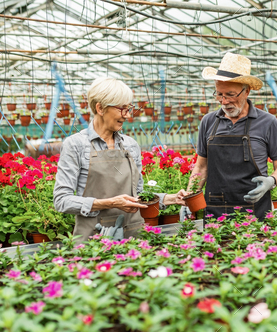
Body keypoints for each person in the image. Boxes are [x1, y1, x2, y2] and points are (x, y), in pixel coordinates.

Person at [54, 77, 187, 242]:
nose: (128, 115)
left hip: (133, 237)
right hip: (94, 240)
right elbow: (61, 200)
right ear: (100, 108)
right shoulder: (76, 145)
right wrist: (110, 203)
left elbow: (138, 195)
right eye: (122, 109)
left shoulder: (130, 145)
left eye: (128, 108)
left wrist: (171, 198)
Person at [184, 53, 277, 221]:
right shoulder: (208, 121)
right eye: (219, 94)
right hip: (216, 207)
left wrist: (271, 181)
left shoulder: (267, 122)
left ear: (246, 91)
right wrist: (189, 198)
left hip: (255, 206)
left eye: (230, 95)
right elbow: (201, 167)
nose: (224, 101)